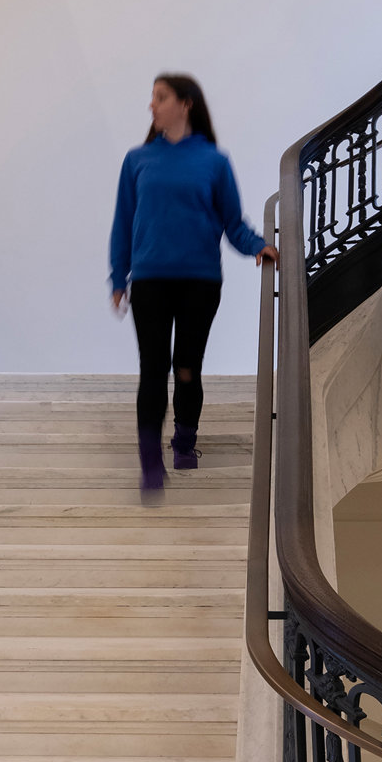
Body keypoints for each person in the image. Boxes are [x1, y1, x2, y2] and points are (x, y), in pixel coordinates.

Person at [109, 73, 278, 495]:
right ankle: (150, 462)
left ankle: (185, 440)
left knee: (187, 367)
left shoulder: (214, 161)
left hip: (199, 282)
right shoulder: (137, 160)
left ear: (185, 104)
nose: (152, 105)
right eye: (152, 98)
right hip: (150, 280)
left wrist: (258, 246)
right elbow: (123, 222)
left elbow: (232, 221)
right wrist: (118, 275)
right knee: (153, 369)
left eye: (160, 97)